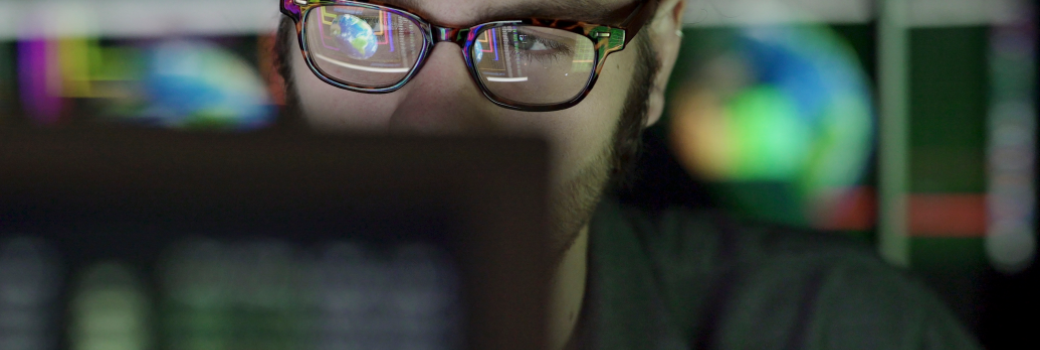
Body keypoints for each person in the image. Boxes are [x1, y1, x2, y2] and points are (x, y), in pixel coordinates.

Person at [273, 0, 981, 349]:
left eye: (533, 40)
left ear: (659, 63)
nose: (433, 127)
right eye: (361, 26)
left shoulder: (841, 332)